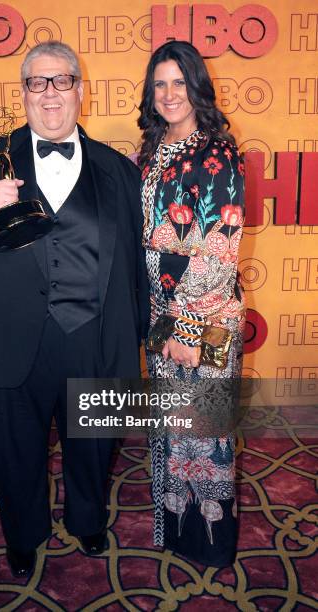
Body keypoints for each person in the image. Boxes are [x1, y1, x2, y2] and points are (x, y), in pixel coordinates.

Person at [0, 41, 149, 578]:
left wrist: (136, 336)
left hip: (93, 338)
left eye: (62, 81)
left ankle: (88, 520)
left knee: (93, 447)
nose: (50, 93)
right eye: (37, 82)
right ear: (23, 93)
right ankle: (24, 535)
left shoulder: (119, 169)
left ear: (81, 89)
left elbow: (135, 263)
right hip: (8, 339)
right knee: (14, 452)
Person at [137, 40, 245, 567]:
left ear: (197, 87)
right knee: (173, 428)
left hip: (204, 318)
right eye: (160, 83)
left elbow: (220, 252)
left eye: (179, 82)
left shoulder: (217, 153)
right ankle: (175, 531)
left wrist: (188, 329)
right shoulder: (153, 149)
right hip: (163, 315)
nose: (168, 93)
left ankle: (209, 545)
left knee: (205, 434)